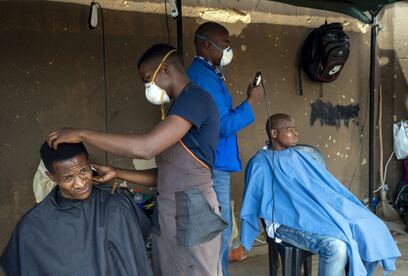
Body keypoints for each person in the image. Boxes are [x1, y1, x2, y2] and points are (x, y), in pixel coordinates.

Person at [46, 43, 227, 276]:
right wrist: (117, 172)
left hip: (194, 211)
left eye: (148, 79)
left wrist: (82, 133)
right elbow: (165, 176)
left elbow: (146, 148)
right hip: (169, 210)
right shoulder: (177, 110)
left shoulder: (196, 100)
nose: (148, 87)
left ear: (166, 69)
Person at [240, 113, 401, 276]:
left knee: (370, 226)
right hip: (285, 223)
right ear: (274, 133)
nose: (295, 133)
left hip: (314, 214)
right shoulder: (260, 163)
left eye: (295, 129)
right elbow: (258, 201)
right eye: (289, 130)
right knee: (337, 246)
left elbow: (321, 187)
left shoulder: (300, 156)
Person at [0, 142, 153, 276]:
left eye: (83, 171)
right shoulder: (32, 228)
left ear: (90, 164)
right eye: (68, 178)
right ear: (52, 176)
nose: (80, 183)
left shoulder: (118, 206)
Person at [187, 21, 263, 275]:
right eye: (225, 44)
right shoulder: (202, 77)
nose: (229, 50)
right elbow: (221, 125)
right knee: (219, 229)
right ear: (207, 45)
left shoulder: (209, 73)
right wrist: (251, 101)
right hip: (213, 163)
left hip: (217, 160)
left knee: (220, 227)